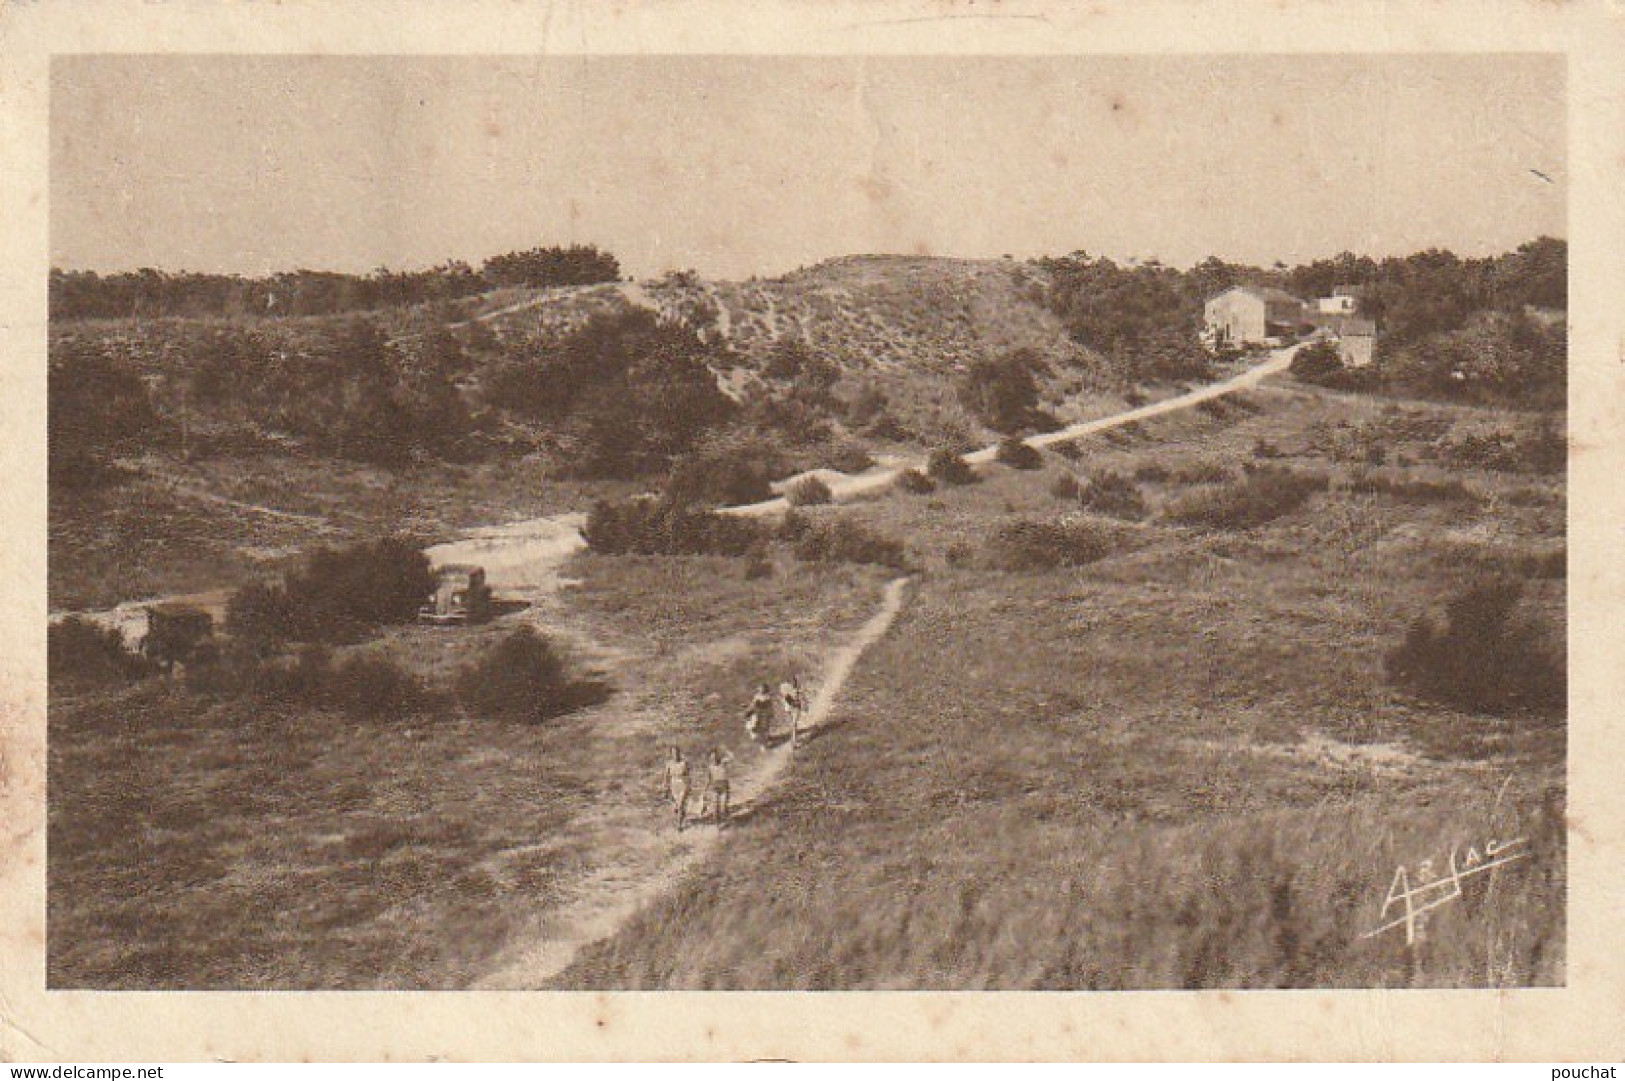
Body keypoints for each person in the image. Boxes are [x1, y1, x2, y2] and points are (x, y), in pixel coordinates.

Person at [660, 746, 691, 832]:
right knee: (677, 806)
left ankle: (679, 825)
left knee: (680, 805)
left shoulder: (684, 763)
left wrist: (689, 786)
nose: (675, 755)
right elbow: (666, 776)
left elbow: (688, 775)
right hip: (674, 785)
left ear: (679, 753)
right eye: (673, 753)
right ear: (671, 754)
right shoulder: (669, 764)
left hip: (683, 784)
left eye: (677, 753)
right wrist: (665, 787)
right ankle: (681, 814)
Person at [706, 746, 735, 827]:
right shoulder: (710, 767)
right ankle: (718, 824)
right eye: (712, 758)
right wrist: (706, 790)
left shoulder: (723, 762)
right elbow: (709, 779)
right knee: (715, 808)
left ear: (718, 757)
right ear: (710, 758)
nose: (714, 759)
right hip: (714, 787)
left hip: (724, 787)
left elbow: (732, 757)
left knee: (723, 807)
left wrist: (726, 750)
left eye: (715, 757)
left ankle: (726, 820)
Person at [780, 676, 806, 748]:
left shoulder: (797, 690)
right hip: (790, 707)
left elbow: (801, 698)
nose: (794, 683)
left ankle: (794, 741)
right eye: (793, 682)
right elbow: (786, 697)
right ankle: (794, 739)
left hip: (794, 708)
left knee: (793, 724)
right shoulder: (786, 687)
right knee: (792, 724)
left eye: (795, 682)